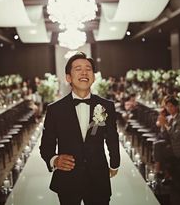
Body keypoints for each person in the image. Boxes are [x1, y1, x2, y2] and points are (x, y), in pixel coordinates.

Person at [40, 52, 120, 205]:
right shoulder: (55, 109)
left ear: (93, 76)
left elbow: (112, 137)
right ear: (68, 77)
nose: (84, 72)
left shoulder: (106, 106)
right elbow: (46, 145)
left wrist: (115, 162)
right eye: (78, 68)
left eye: (88, 68)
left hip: (98, 177)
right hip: (68, 178)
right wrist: (54, 160)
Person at [152, 96, 180, 183]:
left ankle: (162, 173)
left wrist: (165, 124)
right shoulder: (169, 118)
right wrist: (162, 125)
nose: (169, 108)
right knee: (157, 144)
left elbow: (176, 135)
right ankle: (160, 172)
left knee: (161, 150)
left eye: (171, 106)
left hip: (179, 146)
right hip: (171, 144)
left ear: (176, 107)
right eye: (167, 106)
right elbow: (164, 135)